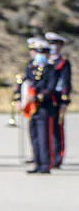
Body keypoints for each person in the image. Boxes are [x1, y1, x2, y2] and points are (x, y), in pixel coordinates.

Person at [17, 38, 58, 174]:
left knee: (43, 137)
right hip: (32, 108)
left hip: (44, 107)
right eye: (37, 51)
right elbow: (25, 83)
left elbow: (51, 88)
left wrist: (37, 97)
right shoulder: (31, 67)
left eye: (42, 52)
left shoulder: (51, 68)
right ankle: (37, 162)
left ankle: (46, 164)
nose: (39, 54)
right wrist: (20, 98)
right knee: (34, 136)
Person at [46, 32, 70, 169]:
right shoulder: (46, 63)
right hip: (47, 99)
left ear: (60, 46)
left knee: (57, 129)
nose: (53, 47)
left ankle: (57, 157)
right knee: (46, 129)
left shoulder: (63, 63)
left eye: (55, 44)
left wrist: (64, 101)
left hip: (58, 99)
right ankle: (46, 155)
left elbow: (66, 83)